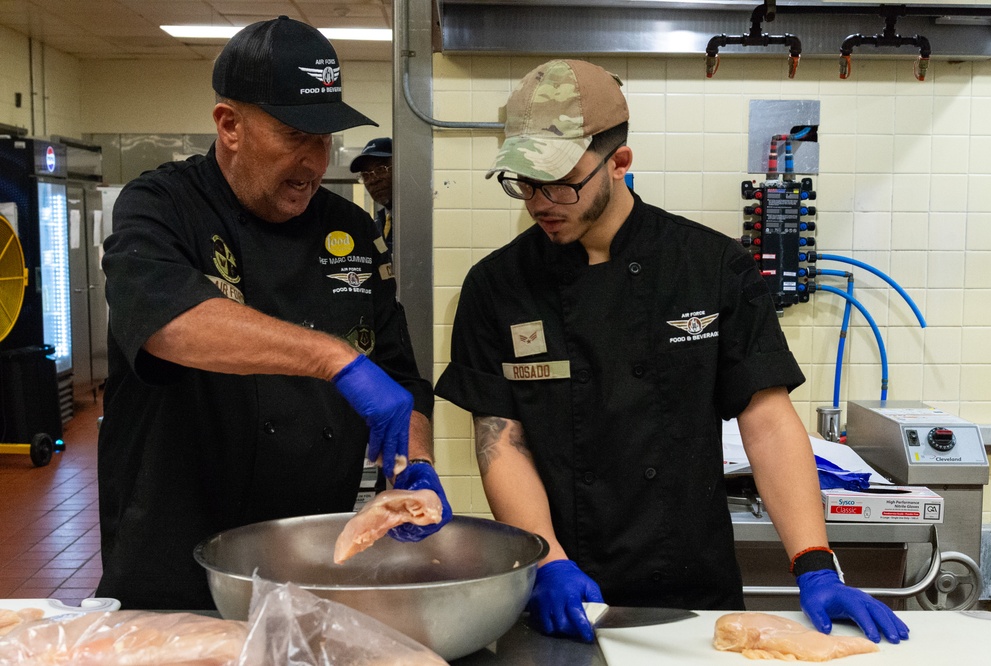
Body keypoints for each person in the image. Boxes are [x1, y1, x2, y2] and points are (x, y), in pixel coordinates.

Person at [434, 59, 907, 645]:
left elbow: (766, 421)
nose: (539, 202)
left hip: (694, 596)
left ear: (620, 163)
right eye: (524, 183)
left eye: (559, 182)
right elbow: (501, 439)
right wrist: (548, 560)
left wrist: (813, 561)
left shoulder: (711, 268)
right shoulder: (496, 286)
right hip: (563, 593)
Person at [97, 16, 451, 611]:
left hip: (308, 554)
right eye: (294, 135)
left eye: (325, 139)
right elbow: (171, 324)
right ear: (229, 125)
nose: (316, 160)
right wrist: (336, 360)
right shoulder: (161, 206)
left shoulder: (351, 229)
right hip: (174, 554)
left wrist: (412, 463)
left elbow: (401, 378)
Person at [350, 137, 394, 256]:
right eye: (365, 175)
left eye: (380, 170)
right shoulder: (378, 224)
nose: (373, 180)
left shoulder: (416, 219)